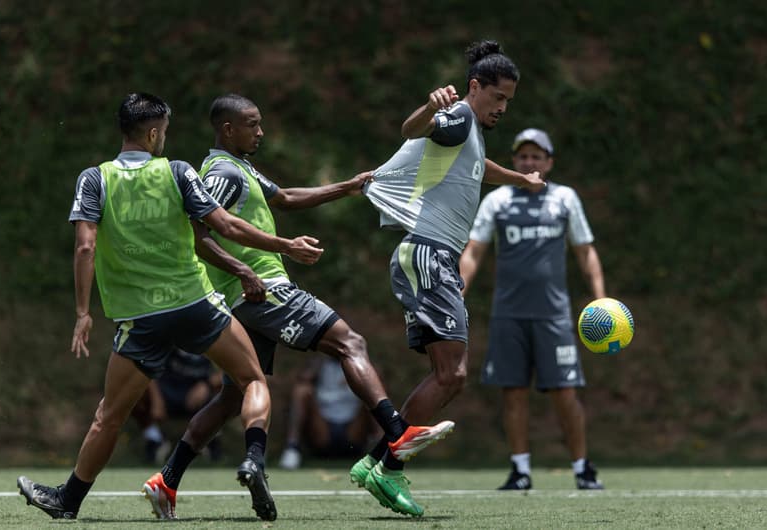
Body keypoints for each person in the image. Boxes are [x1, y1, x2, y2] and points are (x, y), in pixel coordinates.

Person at [142, 93, 455, 520]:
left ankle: (166, 480)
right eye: (252, 124)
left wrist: (349, 186)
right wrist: (247, 271)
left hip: (245, 299)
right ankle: (397, 433)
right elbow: (198, 234)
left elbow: (286, 198)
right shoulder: (224, 173)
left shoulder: (241, 168)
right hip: (263, 290)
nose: (261, 131)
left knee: (232, 397)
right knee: (350, 342)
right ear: (228, 129)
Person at [16, 92, 323, 521]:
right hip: (196, 305)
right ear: (155, 132)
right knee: (253, 379)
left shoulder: (94, 178)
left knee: (109, 416)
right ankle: (253, 458)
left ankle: (68, 501)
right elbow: (227, 225)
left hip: (140, 317)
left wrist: (83, 312)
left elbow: (85, 247)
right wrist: (284, 245)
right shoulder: (177, 172)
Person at [356, 40, 546, 516]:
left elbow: (479, 170)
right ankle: (389, 469)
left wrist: (521, 180)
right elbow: (411, 129)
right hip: (428, 254)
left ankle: (377, 463)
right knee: (452, 374)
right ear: (475, 87)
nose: (502, 108)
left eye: (508, 102)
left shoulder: (472, 133)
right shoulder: (459, 117)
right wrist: (430, 107)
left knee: (449, 373)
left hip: (432, 259)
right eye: (497, 97)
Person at [459, 127, 606, 490]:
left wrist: (600, 298)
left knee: (565, 393)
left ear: (549, 162)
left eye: (537, 156)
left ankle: (582, 468)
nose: (530, 161)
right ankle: (520, 470)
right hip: (508, 314)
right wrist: (458, 291)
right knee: (513, 392)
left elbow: (585, 250)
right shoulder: (497, 201)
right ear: (514, 162)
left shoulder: (565, 199)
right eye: (523, 156)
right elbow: (474, 250)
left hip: (553, 316)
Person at [279, 356, 381, 470]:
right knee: (302, 390)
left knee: (374, 391)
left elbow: (377, 382)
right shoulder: (320, 362)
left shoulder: (359, 363)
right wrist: (317, 364)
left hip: (354, 428)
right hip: (323, 427)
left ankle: (382, 449)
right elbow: (303, 379)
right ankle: (292, 447)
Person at [131, 348, 223, 464]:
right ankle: (154, 439)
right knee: (134, 389)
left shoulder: (216, 334)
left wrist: (207, 384)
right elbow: (146, 365)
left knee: (230, 388)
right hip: (167, 395)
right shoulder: (167, 333)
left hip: (199, 399)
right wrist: (157, 400)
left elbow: (238, 367)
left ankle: (210, 438)